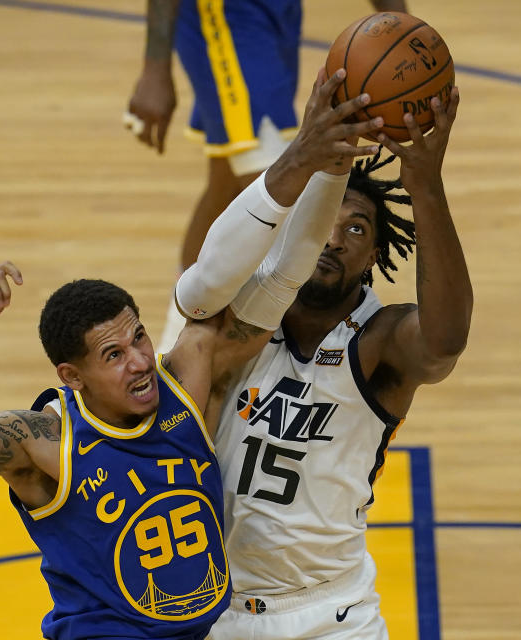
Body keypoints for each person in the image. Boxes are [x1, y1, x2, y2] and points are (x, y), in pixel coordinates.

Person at [0, 69, 384, 640]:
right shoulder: (44, 442)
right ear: (72, 377)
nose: (141, 361)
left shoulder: (187, 386)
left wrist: (325, 162)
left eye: (140, 339)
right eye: (114, 355)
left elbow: (280, 279)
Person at [202, 90, 472, 639]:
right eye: (324, 219)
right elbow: (196, 279)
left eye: (356, 229)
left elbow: (444, 343)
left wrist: (425, 186)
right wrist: (302, 153)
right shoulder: (241, 314)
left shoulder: (381, 340)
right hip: (212, 610)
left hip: (330, 616)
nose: (333, 238)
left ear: (374, 255)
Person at [125, 0, 409, 350]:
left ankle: (176, 339)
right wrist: (155, 66)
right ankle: (207, 352)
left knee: (227, 183)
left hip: (278, 11)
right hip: (227, 15)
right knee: (279, 193)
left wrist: (405, 31)